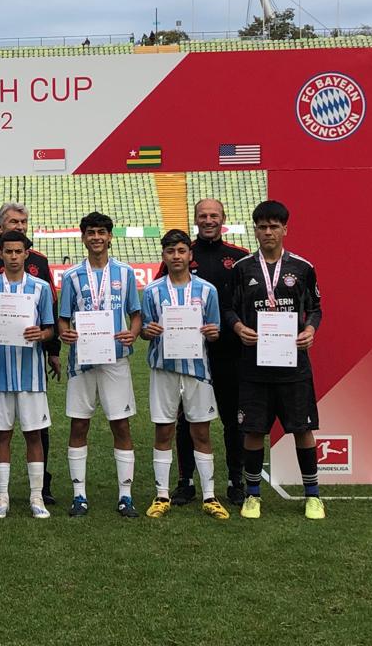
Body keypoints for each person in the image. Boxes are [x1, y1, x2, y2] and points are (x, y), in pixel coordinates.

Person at [226, 200, 324, 520]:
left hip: (293, 366)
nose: (268, 232)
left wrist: (310, 330)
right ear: (255, 230)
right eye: (262, 227)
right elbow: (228, 309)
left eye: (274, 226)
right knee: (254, 430)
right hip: (254, 366)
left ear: (285, 229)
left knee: (302, 429)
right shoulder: (242, 269)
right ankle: (252, 495)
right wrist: (238, 327)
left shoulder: (303, 268)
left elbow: (316, 308)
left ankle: (313, 496)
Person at [0, 202, 60, 505]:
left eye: (18, 251)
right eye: (8, 251)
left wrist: (46, 341)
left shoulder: (41, 284)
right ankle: (0, 495)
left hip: (31, 373)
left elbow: (49, 325)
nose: (13, 255)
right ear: (1, 252)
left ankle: (38, 493)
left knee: (36, 432)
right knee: (1, 433)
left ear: (25, 253)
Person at [57, 212, 142, 518]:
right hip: (82, 360)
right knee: (79, 423)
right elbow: (63, 319)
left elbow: (135, 314)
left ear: (109, 237)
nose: (96, 237)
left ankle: (125, 496)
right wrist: (65, 333)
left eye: (101, 232)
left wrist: (133, 333)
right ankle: (79, 495)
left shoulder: (125, 272)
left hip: (115, 359)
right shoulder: (71, 276)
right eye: (91, 232)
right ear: (84, 238)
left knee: (121, 423)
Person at [140, 230, 229, 520]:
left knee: (201, 431)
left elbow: (215, 330)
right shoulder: (152, 291)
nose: (176, 256)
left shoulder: (207, 290)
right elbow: (145, 330)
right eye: (170, 251)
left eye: (181, 251)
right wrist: (148, 331)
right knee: (163, 430)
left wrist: (213, 333)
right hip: (163, 369)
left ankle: (210, 496)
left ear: (190, 255)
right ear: (163, 256)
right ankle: (161, 495)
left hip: (196, 370)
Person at [166, 199, 250, 507]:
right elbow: (164, 295)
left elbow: (245, 303)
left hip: (229, 352)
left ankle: (235, 481)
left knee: (233, 419)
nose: (208, 220)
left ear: (223, 218)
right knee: (187, 420)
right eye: (203, 215)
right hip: (188, 354)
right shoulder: (184, 253)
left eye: (214, 215)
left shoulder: (239, 257)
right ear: (195, 219)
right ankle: (186, 482)